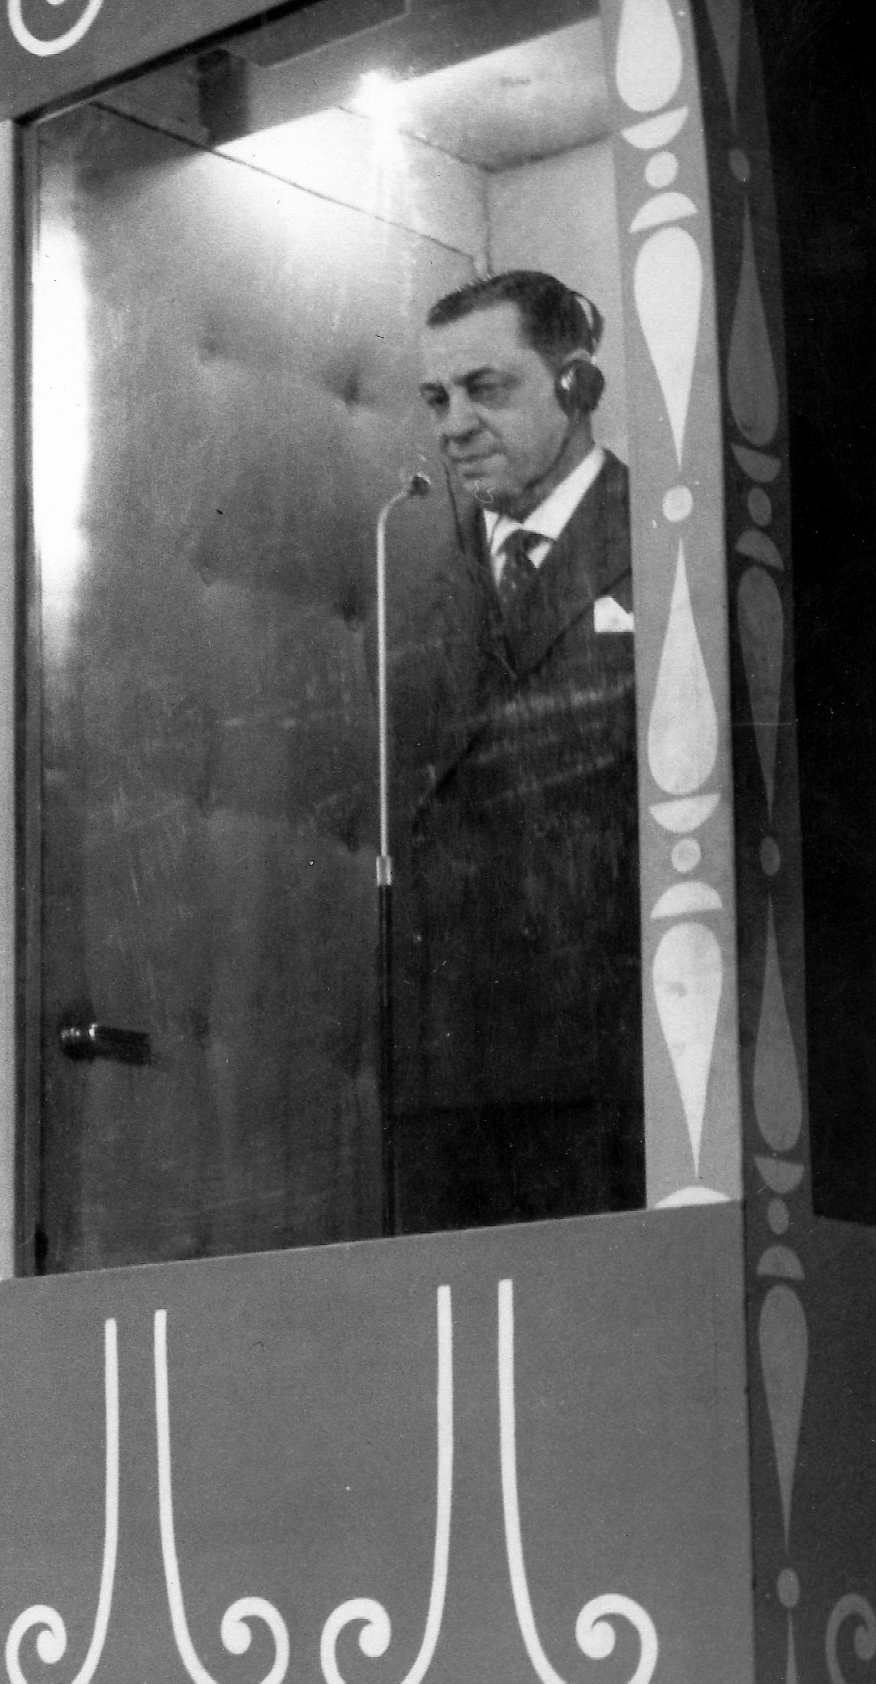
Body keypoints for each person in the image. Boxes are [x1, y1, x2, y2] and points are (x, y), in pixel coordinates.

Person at [391, 269, 642, 1232]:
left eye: (485, 389)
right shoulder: (418, 583)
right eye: (437, 399)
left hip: (613, 1064)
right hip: (452, 1074)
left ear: (578, 385)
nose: (454, 426)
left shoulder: (667, 538)